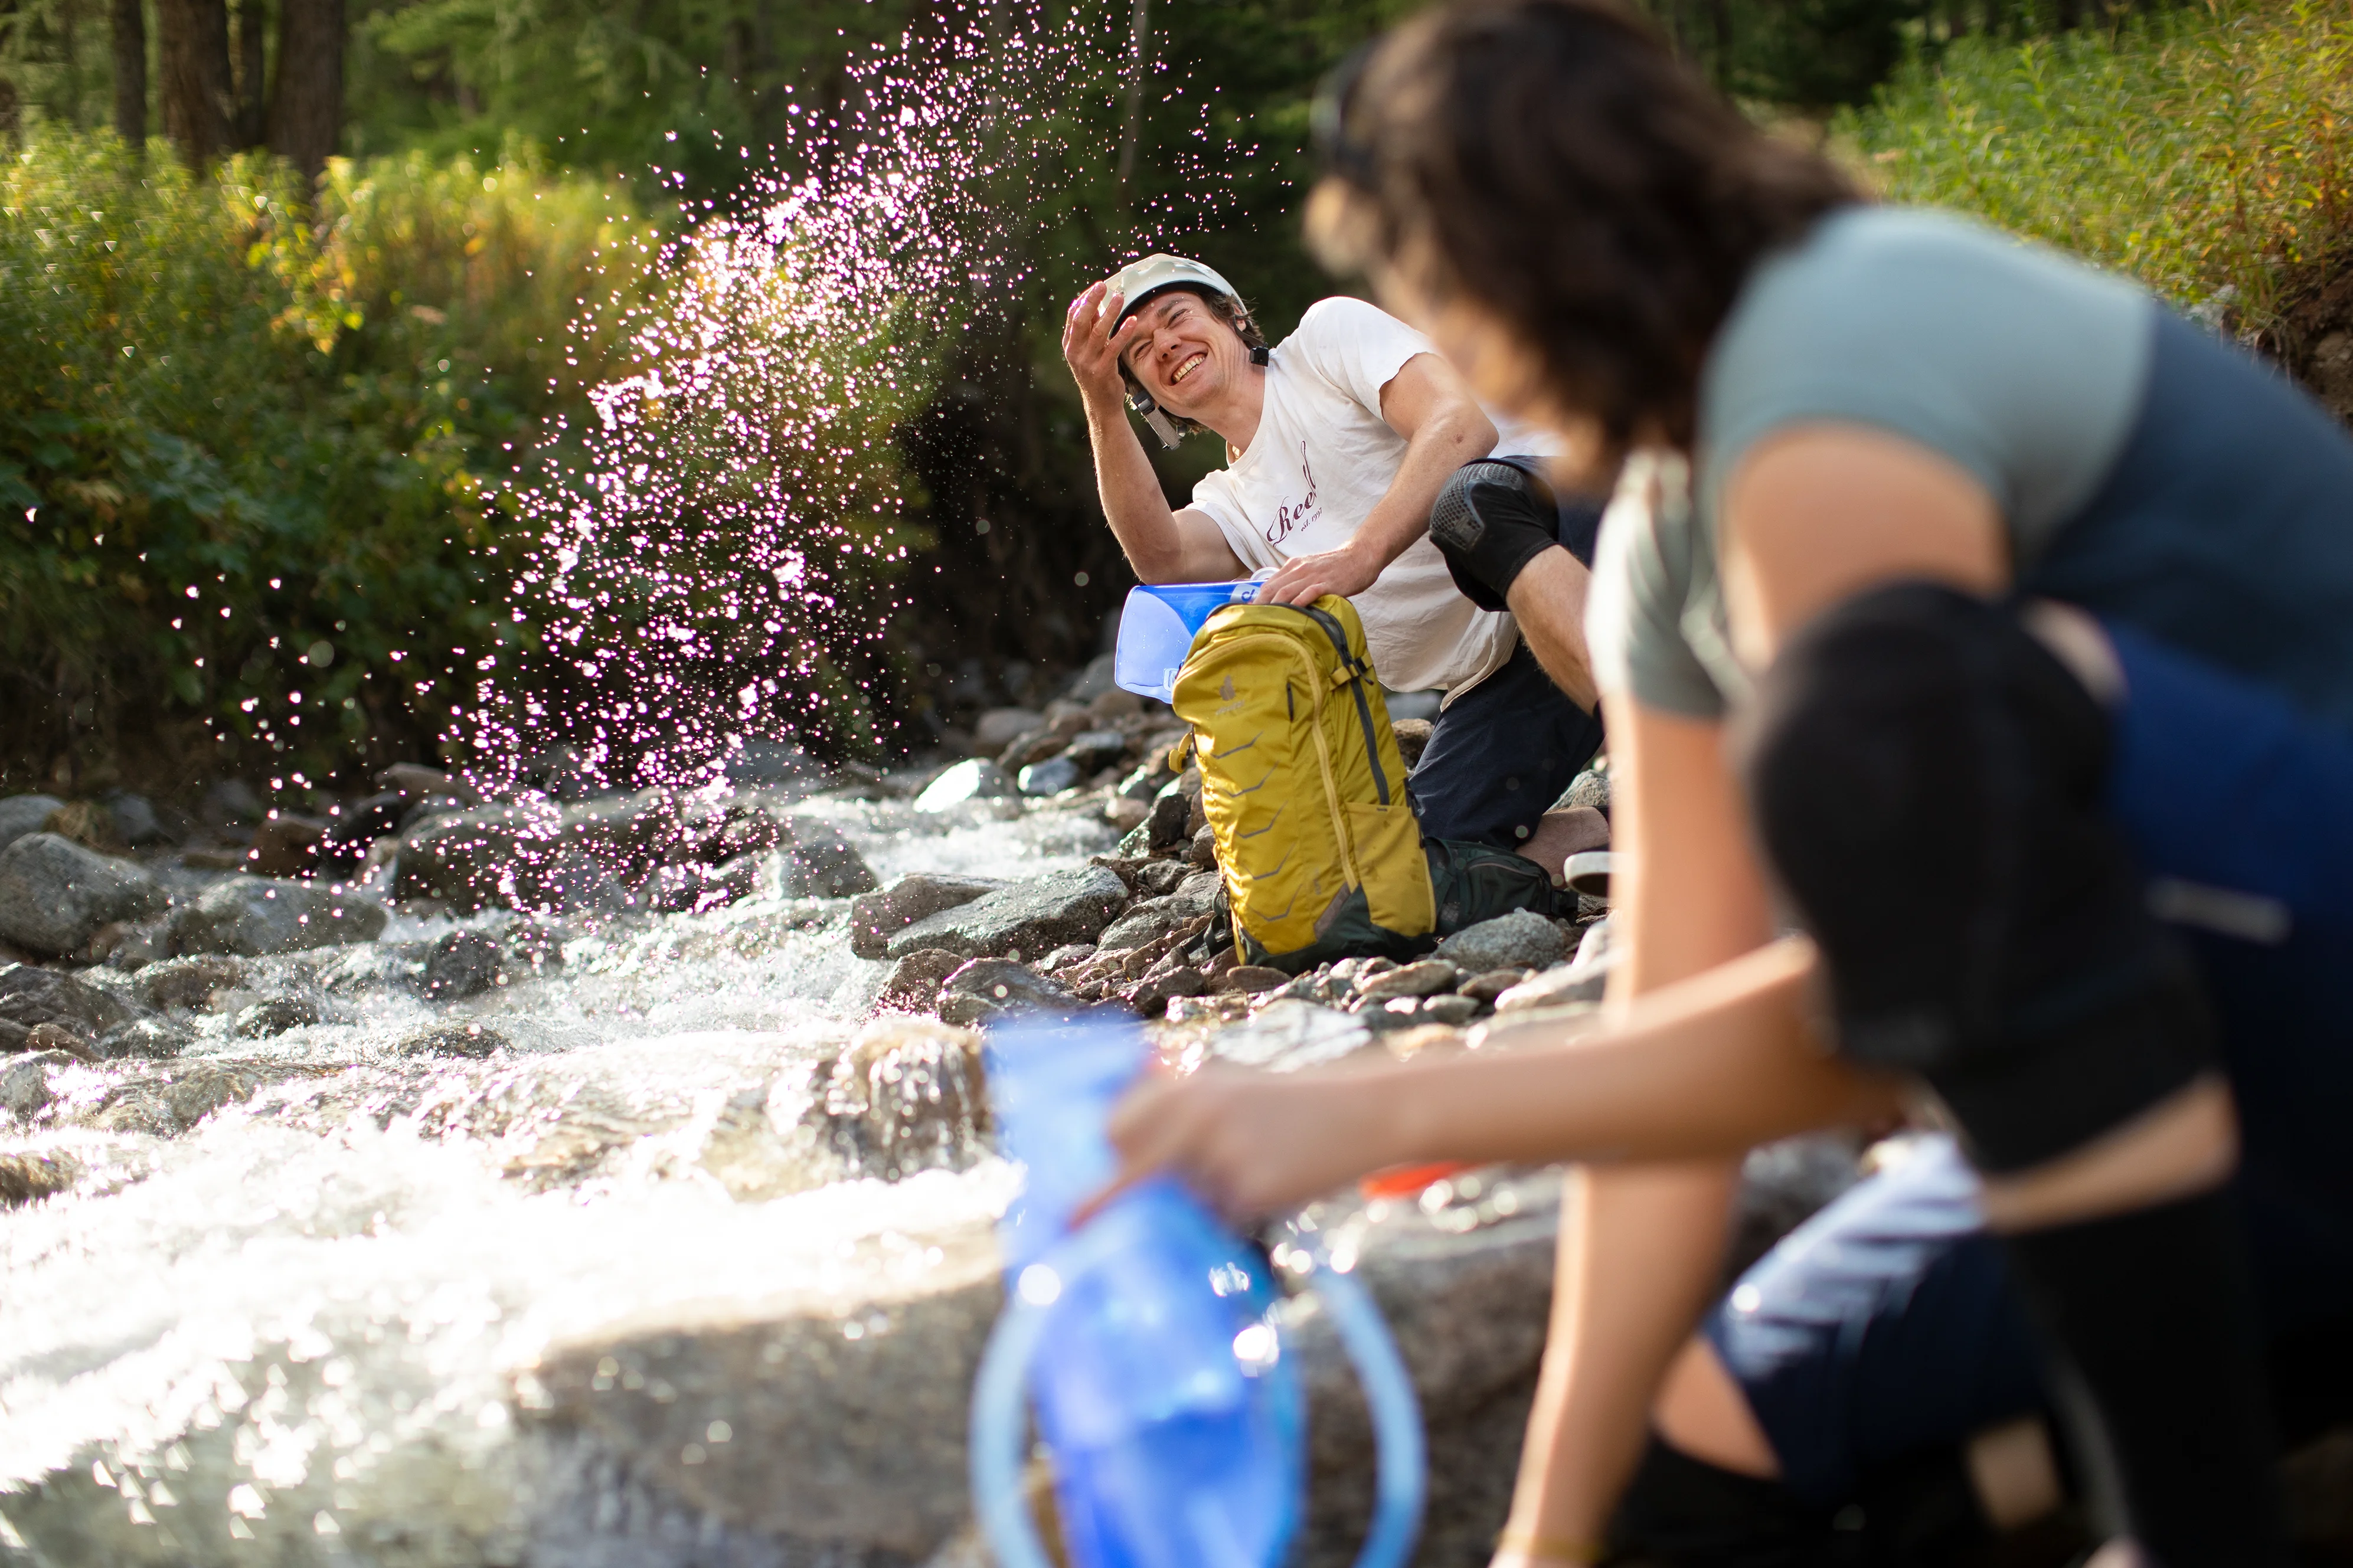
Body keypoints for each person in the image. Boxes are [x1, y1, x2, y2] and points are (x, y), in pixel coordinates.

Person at [1086, 2, 2353, 1564]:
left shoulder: (1828, 373)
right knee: (1675, 1478)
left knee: (1853, 726)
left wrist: (1366, 1108)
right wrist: (1545, 1536)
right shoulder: (1672, 541)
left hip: (2291, 984)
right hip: (2159, 1067)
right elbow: (1672, 1043)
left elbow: (1879, 1014)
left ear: (1491, 261)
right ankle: (2124, 1440)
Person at [1061, 252, 1610, 868]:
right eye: (1139, 351)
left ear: (1234, 318)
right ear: (1148, 402)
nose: (1164, 344)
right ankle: (1628, 826)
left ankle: (1668, 732)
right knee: (1409, 863)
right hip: (1514, 667)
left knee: (1469, 505)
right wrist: (1100, 403)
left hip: (1588, 535)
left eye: (1175, 315)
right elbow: (1158, 557)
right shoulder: (1228, 502)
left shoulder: (1326, 338)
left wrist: (1360, 555)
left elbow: (1459, 425)